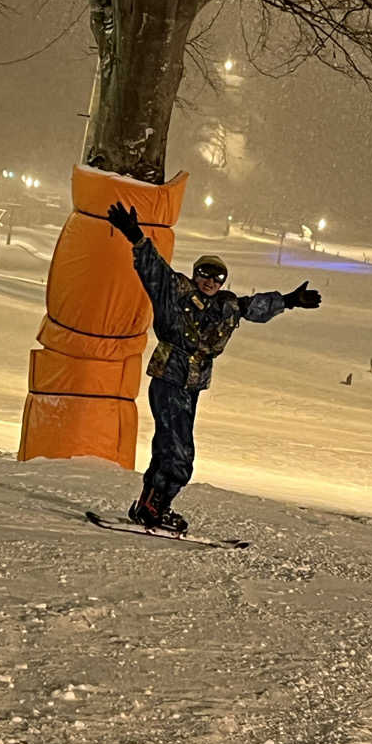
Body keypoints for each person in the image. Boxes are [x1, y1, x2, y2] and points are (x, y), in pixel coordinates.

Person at [107, 201, 321, 532]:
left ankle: (149, 506)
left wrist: (289, 300)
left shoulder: (226, 306)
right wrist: (134, 234)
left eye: (217, 277)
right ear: (196, 274)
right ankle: (156, 507)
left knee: (169, 446)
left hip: (191, 385)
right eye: (205, 274)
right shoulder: (176, 291)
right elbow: (154, 269)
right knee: (180, 453)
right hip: (170, 378)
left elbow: (254, 307)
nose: (210, 281)